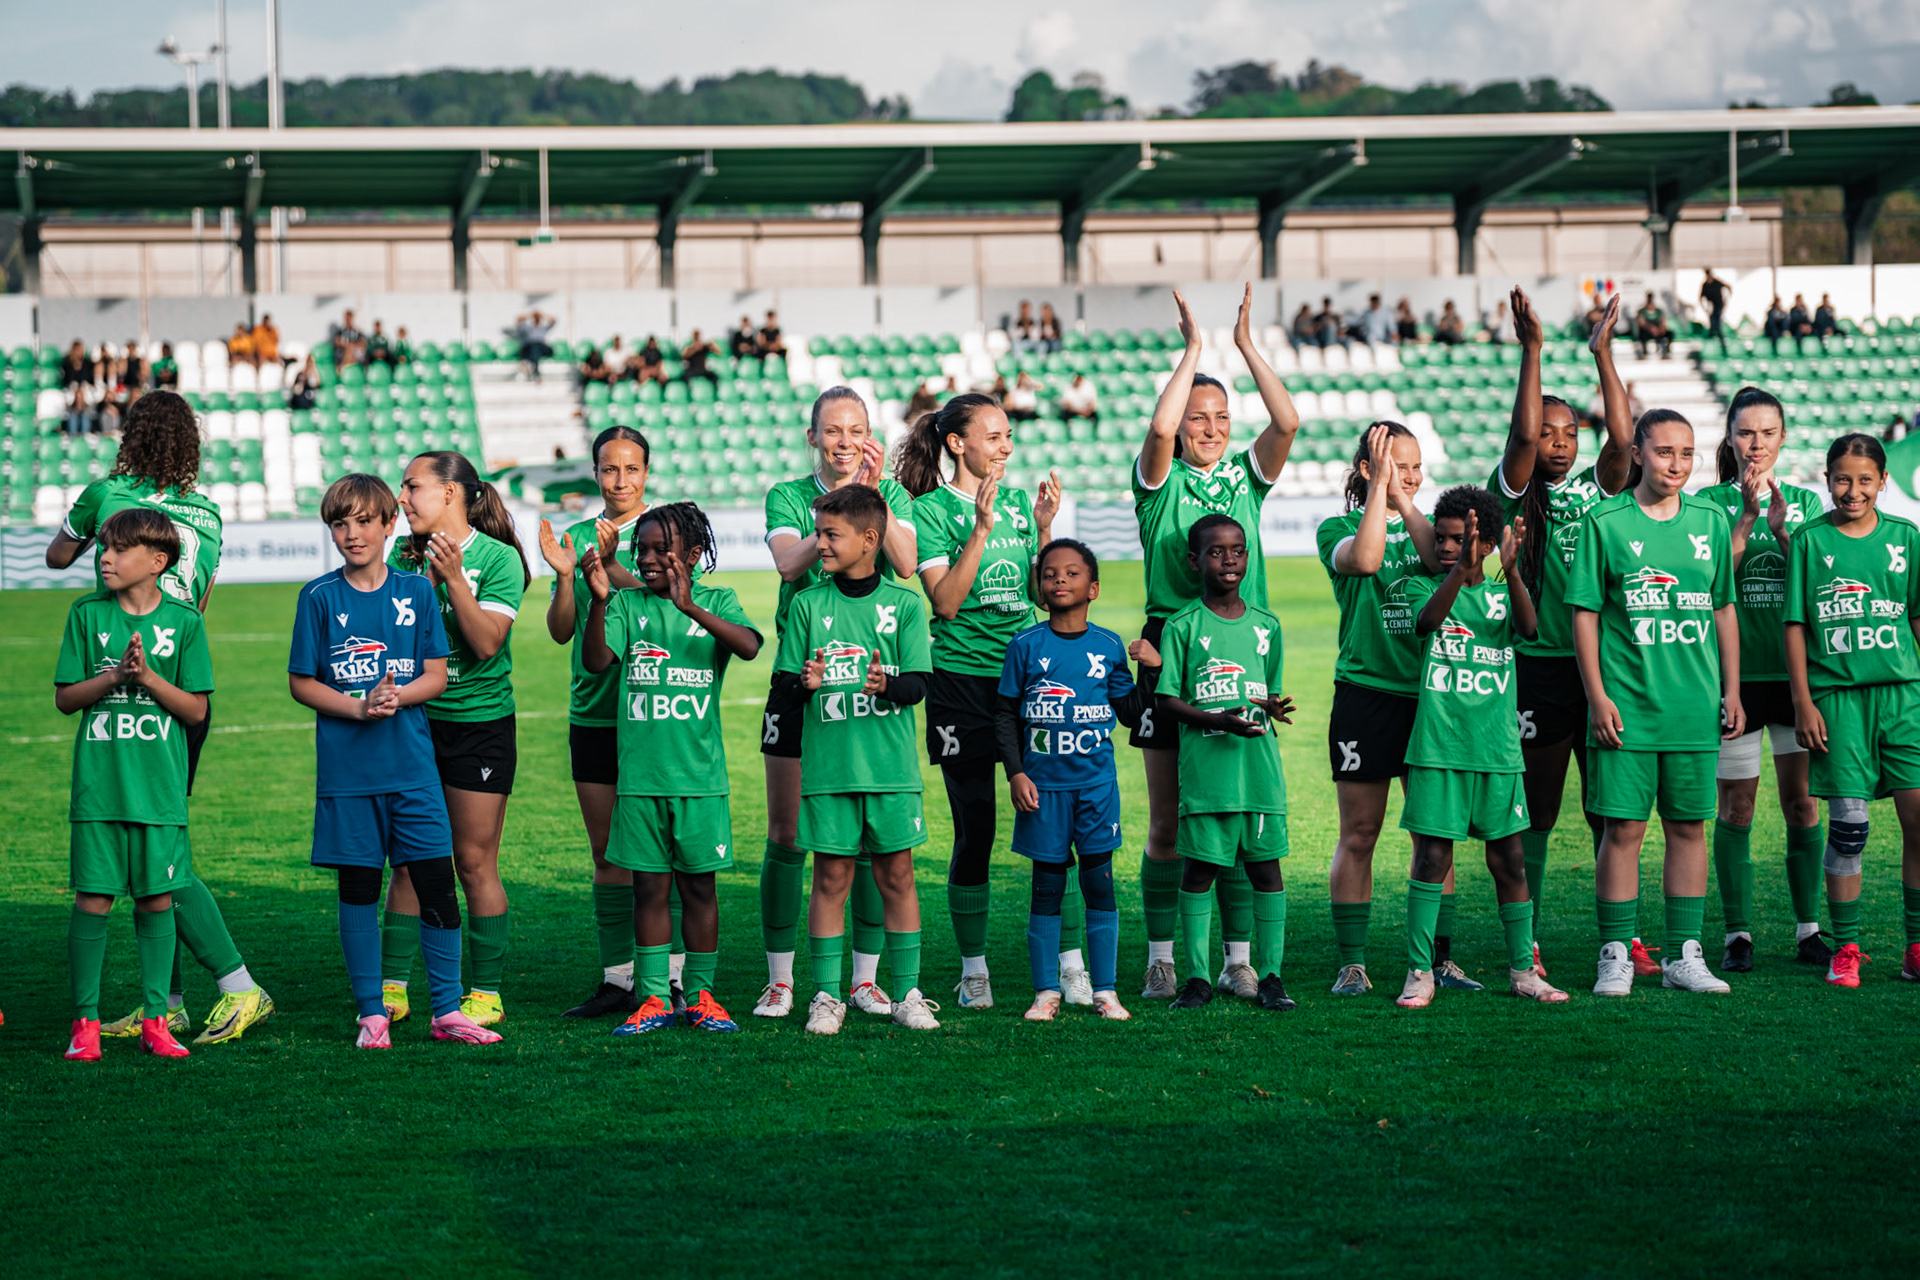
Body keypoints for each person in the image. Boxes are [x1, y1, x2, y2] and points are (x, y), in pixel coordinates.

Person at [45, 390, 271, 1044]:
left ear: (130, 436)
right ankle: (165, 1004)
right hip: (180, 684)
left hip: (126, 680)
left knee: (163, 855)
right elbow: (202, 600)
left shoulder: (106, 494)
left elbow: (57, 557)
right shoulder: (209, 512)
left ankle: (239, 986)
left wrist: (88, 530)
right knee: (158, 852)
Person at [288, 475, 499, 1047]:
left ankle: (447, 1010)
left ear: (388, 525)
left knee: (437, 885)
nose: (352, 534)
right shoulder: (318, 596)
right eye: (340, 524)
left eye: (364, 521)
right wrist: (360, 708)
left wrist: (395, 697)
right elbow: (301, 682)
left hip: (413, 771)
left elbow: (435, 675)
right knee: (358, 891)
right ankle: (371, 1013)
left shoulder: (417, 591)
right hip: (349, 777)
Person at [1133, 285, 1299, 1000]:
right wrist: (1194, 349)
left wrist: (1246, 347)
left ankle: (1238, 961)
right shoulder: (1158, 481)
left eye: (1222, 416)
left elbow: (1286, 421)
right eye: (1199, 417)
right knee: (1172, 824)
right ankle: (1163, 958)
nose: (1211, 427)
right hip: (1172, 649)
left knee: (1238, 816)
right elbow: (1160, 429)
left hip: (1240, 647)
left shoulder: (1243, 480)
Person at [1567, 400, 1743, 998]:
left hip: (1694, 708)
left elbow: (1723, 608)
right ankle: (1615, 954)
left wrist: (1732, 690)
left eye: (1687, 453)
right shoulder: (1605, 521)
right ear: (1638, 453)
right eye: (1664, 452)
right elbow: (1585, 614)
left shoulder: (1711, 521)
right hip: (1628, 708)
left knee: (1689, 828)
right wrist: (1597, 696)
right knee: (1623, 831)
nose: (1676, 464)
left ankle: (1684, 955)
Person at [754, 388, 919, 1019]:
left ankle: (865, 981)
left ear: (870, 435)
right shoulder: (788, 494)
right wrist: (838, 517)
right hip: (804, 676)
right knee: (787, 835)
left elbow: (905, 563)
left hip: (867, 686)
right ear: (813, 436)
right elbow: (787, 564)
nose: (844, 442)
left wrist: (872, 500)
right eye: (832, 430)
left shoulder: (889, 492)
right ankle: (781, 978)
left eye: (855, 430)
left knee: (874, 846)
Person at [896, 394, 1061, 1009]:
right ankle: (974, 972)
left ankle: (1067, 965)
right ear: (957, 443)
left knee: (1054, 824)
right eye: (994, 436)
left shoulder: (1018, 502)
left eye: (1008, 434)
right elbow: (945, 602)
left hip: (1026, 679)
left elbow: (1040, 598)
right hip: (961, 683)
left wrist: (1042, 530)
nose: (1006, 446)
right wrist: (982, 529)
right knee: (977, 830)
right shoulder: (930, 509)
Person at [581, 502, 763, 1035]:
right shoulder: (626, 603)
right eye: (642, 550)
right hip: (642, 780)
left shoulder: (718, 600)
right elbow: (595, 662)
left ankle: (701, 996)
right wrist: (598, 602)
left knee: (700, 890)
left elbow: (749, 647)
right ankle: (655, 998)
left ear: (695, 554)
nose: (648, 559)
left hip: (700, 781)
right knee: (649, 891)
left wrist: (690, 608)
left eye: (663, 549)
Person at [1496, 290, 1634, 976]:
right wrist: (1534, 350)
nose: (1557, 443)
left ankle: (1623, 938)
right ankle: (1529, 939)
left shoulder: (1593, 491)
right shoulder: (1514, 491)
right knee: (1541, 812)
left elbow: (1625, 444)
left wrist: (1602, 354)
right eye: (1549, 431)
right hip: (1537, 670)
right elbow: (1522, 442)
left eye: (1569, 434)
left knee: (1611, 810)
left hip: (1600, 674)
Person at [776, 484, 940, 1034]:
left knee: (898, 876)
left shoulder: (905, 605)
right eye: (818, 533)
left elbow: (919, 685)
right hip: (829, 773)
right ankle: (826, 996)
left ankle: (909, 993)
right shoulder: (806, 604)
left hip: (891, 773)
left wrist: (886, 685)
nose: (819, 544)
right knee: (830, 879)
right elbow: (783, 689)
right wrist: (803, 684)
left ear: (870, 540)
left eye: (830, 535)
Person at [1394, 488, 1567, 1007]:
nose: (1448, 547)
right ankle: (1420, 972)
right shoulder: (1422, 587)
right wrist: (1461, 570)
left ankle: (1523, 972)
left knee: (1510, 862)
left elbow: (1530, 629)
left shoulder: (1503, 592)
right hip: (1438, 749)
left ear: (1489, 544)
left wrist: (1510, 573)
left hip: (1496, 750)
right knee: (1431, 860)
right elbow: (1427, 623)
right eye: (1442, 538)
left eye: (1461, 539)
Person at [56, 508, 213, 1062]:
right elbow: (66, 699)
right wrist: (115, 676)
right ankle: (85, 1024)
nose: (105, 558)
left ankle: (155, 1021)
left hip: (159, 791)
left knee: (156, 900)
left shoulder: (185, 622)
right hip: (99, 788)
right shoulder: (86, 614)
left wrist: (146, 677)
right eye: (104, 548)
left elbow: (195, 710)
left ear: (157, 561)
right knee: (93, 899)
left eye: (119, 550)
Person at [381, 451, 530, 1028]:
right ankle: (393, 987)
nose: (401, 497)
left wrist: (451, 579)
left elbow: (487, 643)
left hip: (478, 725)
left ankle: (485, 992)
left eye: (412, 486)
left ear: (449, 492)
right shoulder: (402, 554)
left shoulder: (497, 557)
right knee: (408, 862)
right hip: (414, 723)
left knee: (472, 862)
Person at [996, 539, 1159, 1021]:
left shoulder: (1108, 645)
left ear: (1093, 588)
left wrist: (1151, 671)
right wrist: (1016, 772)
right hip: (1043, 790)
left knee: (1099, 883)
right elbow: (1004, 715)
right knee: (1046, 888)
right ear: (1039, 588)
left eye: (1071, 573)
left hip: (1095, 788)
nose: (1059, 580)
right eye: (1049, 574)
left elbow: (1130, 713)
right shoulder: (1025, 645)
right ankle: (1046, 992)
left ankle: (1105, 990)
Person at [1783, 434, 1920, 988]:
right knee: (1848, 830)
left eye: (1865, 480)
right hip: (1837, 702)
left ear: (1883, 481)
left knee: (1919, 821)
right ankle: (1846, 948)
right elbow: (1796, 625)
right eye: (1843, 479)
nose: (1853, 490)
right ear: (1827, 479)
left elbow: (1916, 616)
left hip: (1903, 696)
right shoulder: (1809, 540)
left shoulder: (1906, 537)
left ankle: (1916, 947)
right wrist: (1803, 701)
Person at [1699, 388, 1829, 971]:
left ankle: (1809, 930)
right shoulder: (1707, 505)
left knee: (1803, 805)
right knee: (1738, 809)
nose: (1756, 444)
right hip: (1737, 680)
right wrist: (1748, 520)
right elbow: (1708, 582)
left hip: (1795, 680)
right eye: (1746, 433)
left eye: (1767, 433)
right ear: (1730, 438)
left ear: (1783, 437)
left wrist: (1781, 533)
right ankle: (1738, 935)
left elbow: (1819, 583)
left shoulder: (1807, 502)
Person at [1315, 421, 1445, 996]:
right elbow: (1366, 560)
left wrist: (1401, 499)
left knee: (1433, 833)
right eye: (1398, 465)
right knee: (1361, 832)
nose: (1411, 476)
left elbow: (1439, 563)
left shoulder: (1429, 527)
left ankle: (1437, 960)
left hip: (1430, 696)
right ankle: (1353, 962)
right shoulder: (1336, 528)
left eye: (1416, 466)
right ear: (1369, 469)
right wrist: (1380, 494)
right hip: (1364, 695)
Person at [539, 426, 660, 1019]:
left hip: (656, 713)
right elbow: (561, 630)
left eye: (631, 468)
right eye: (610, 469)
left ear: (647, 473)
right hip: (594, 712)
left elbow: (673, 607)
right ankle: (617, 979)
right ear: (595, 474)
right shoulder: (577, 536)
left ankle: (668, 978)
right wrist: (567, 576)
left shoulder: (666, 531)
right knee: (607, 853)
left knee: (659, 852)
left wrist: (614, 567)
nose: (621, 480)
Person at [1155, 514, 1296, 1012]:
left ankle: (1271, 977)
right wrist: (1217, 719)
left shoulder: (1267, 625)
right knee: (1199, 873)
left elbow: (1268, 690)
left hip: (1258, 774)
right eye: (1216, 552)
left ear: (1248, 557)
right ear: (1195, 562)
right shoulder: (1182, 626)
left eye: (1237, 550)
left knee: (1267, 873)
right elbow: (1166, 701)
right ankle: (1197, 979)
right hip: (1208, 776)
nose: (1229, 559)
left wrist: (1271, 707)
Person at [515, 311, 555, 381]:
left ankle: (530, 366)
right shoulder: (527, 328)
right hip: (530, 348)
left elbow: (553, 321)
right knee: (533, 349)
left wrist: (541, 315)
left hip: (541, 347)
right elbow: (518, 320)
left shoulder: (543, 328)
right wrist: (531, 315)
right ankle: (535, 372)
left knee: (536, 347)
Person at [1699, 270, 1730, 356]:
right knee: (1712, 324)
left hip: (1718, 305)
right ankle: (1712, 345)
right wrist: (1704, 308)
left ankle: (1722, 346)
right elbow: (1701, 297)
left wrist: (1726, 300)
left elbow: (1728, 288)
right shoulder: (1705, 285)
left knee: (1717, 324)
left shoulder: (1717, 283)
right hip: (1711, 306)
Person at [1633, 294, 1671, 360]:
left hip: (1658, 331)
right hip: (1647, 331)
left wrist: (1661, 328)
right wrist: (1650, 328)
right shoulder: (1642, 311)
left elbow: (1663, 321)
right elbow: (1641, 322)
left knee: (1669, 334)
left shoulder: (1659, 311)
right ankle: (1644, 352)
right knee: (1642, 334)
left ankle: (1666, 352)